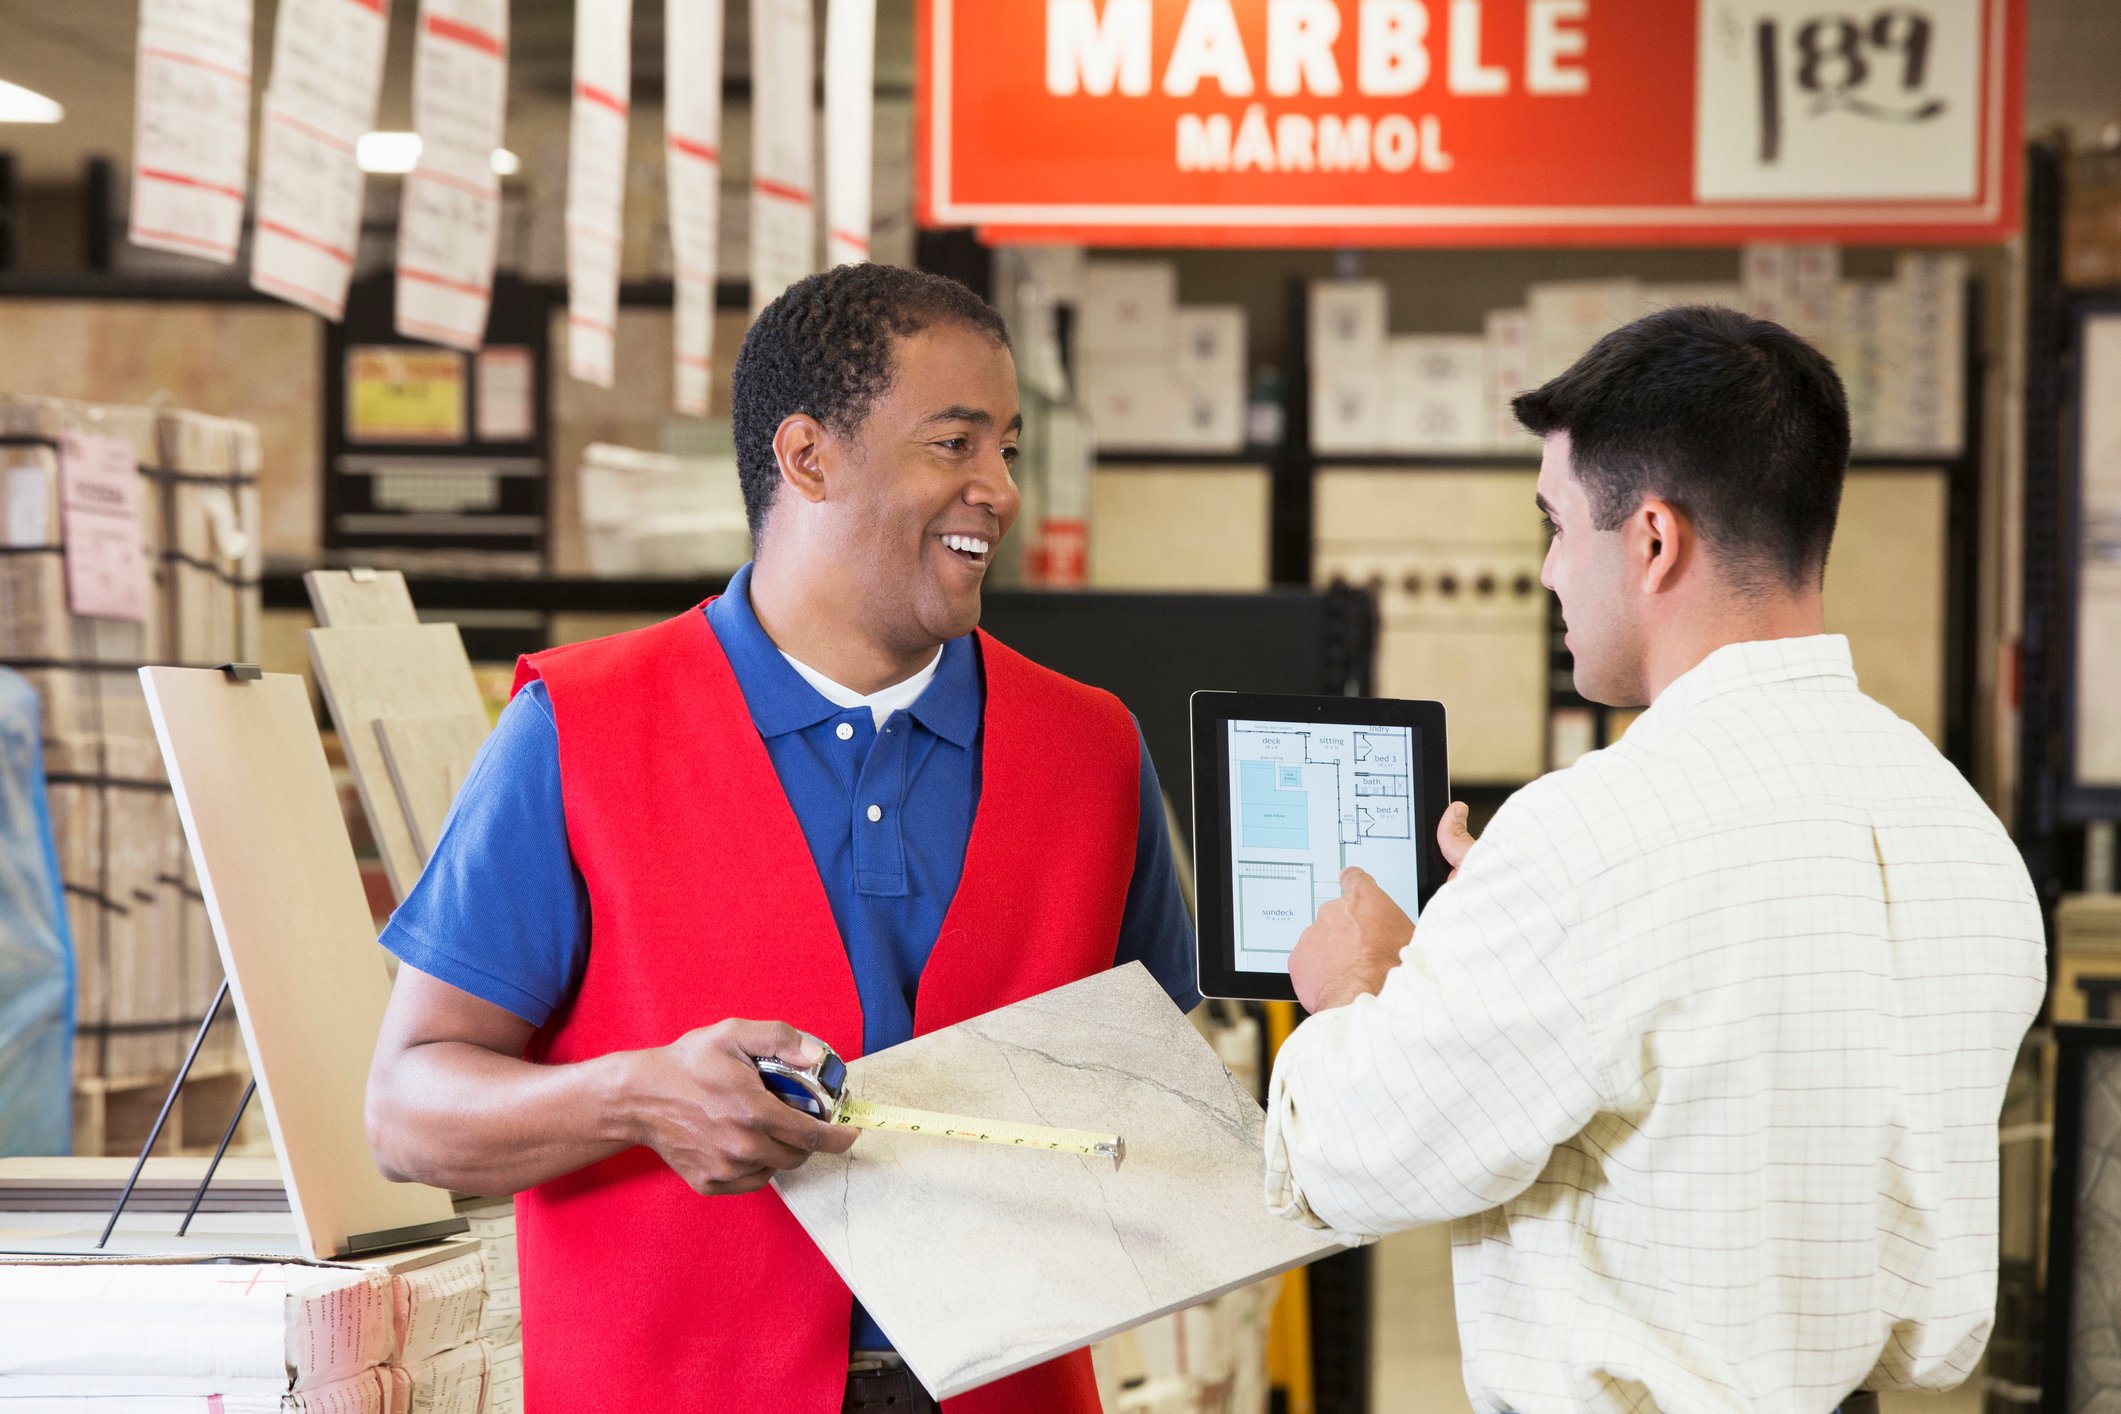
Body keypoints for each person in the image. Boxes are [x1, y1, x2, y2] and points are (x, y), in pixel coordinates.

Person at [364, 263, 1197, 1414]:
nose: (999, 489)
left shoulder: (1093, 750)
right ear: (807, 457)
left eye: (1007, 446)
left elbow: (1159, 1100)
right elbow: (405, 1109)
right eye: (954, 444)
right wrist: (634, 1098)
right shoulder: (578, 729)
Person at [1263, 305, 2043, 1414]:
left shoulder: (1589, 838)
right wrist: (1504, 934)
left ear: (1652, 539)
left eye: (1557, 525)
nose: (1546, 572)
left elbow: (1353, 1159)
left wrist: (1361, 989)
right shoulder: (1963, 833)